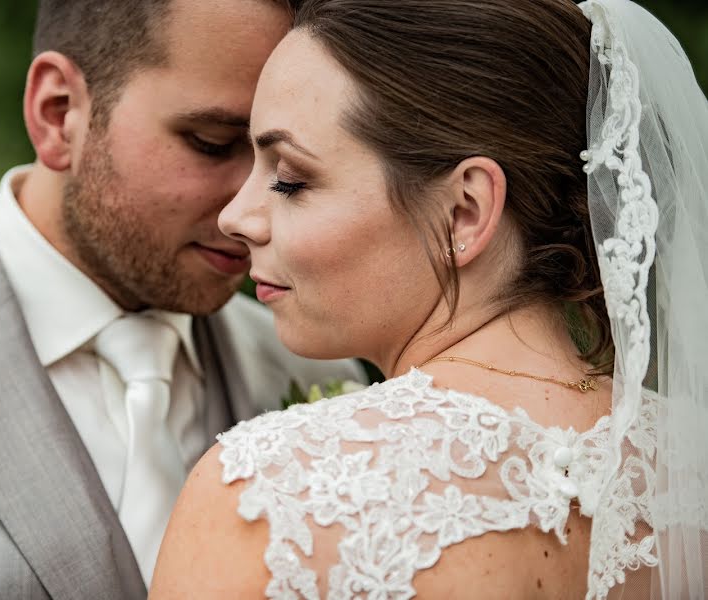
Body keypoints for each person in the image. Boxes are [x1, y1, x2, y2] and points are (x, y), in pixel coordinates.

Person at [151, 0, 708, 597]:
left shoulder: (276, 491)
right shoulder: (687, 468)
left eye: (290, 179)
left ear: (464, 213)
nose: (236, 217)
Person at [0, 0, 365, 597]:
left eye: (284, 167)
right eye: (211, 143)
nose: (250, 211)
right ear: (59, 114)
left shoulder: (318, 375)